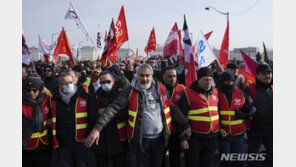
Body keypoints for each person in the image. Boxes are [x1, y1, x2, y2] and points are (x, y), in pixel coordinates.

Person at [84, 63, 191, 167]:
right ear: (137, 75)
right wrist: (97, 128)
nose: (144, 79)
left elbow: (171, 107)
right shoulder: (129, 90)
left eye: (147, 76)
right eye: (141, 75)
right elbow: (113, 108)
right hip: (141, 140)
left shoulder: (160, 88)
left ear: (152, 76)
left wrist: (185, 124)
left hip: (160, 139)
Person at [178, 67, 220, 167]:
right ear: (198, 80)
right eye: (206, 79)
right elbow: (181, 117)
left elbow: (216, 113)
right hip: (194, 139)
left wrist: (220, 127)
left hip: (212, 138)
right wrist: (183, 138)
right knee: (192, 164)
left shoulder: (215, 92)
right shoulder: (188, 93)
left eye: (210, 79)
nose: (209, 82)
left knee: (208, 164)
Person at [87, 71, 128, 167]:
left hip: (119, 139)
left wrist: (105, 111)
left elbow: (124, 114)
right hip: (101, 141)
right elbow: (92, 117)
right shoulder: (94, 96)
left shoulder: (121, 94)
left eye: (108, 81)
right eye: (103, 82)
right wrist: (112, 113)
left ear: (113, 81)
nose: (105, 84)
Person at [49, 72, 89, 167]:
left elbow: (90, 118)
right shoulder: (53, 100)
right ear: (59, 85)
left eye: (70, 82)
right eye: (65, 83)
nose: (69, 85)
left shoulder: (84, 97)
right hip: (62, 144)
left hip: (80, 143)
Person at [217, 71, 255, 167]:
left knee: (239, 162)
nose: (229, 83)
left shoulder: (241, 92)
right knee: (225, 162)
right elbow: (213, 114)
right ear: (221, 82)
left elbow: (253, 109)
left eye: (231, 81)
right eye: (226, 81)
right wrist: (219, 127)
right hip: (223, 135)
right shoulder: (215, 93)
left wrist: (244, 115)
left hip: (238, 135)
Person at [244, 64, 273, 167]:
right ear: (257, 75)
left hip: (271, 131)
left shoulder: (274, 88)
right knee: (252, 158)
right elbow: (242, 107)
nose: (267, 76)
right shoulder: (249, 89)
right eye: (264, 74)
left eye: (269, 73)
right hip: (254, 130)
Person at [22, 74, 52, 167]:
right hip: (26, 147)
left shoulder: (48, 100)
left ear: (40, 90)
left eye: (34, 90)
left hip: (45, 146)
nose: (31, 93)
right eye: (28, 90)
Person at [161, 66, 186, 167]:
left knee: (175, 159)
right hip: (162, 132)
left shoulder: (183, 89)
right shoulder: (158, 89)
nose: (172, 79)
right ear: (163, 77)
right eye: (170, 76)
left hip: (176, 131)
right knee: (160, 159)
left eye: (174, 76)